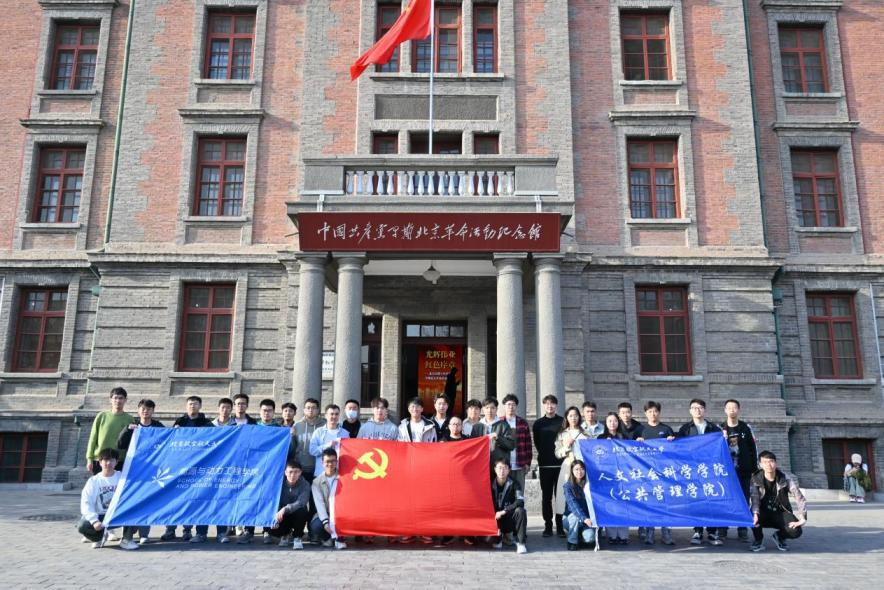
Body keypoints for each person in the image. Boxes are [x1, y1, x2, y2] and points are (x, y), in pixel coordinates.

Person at [115, 398, 164, 545]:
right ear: (138, 410)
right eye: (143, 408)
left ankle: (144, 534)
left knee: (147, 501)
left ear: (153, 411)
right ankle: (128, 533)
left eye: (149, 409)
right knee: (131, 500)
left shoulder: (158, 427)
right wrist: (127, 431)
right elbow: (120, 444)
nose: (145, 411)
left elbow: (168, 442)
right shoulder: (133, 427)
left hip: (152, 472)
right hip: (133, 471)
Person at [677, 398, 723, 546]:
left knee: (711, 499)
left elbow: (721, 447)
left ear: (705, 410)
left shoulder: (714, 429)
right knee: (695, 500)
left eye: (700, 408)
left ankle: (712, 531)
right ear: (690, 411)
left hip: (709, 470)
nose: (697, 410)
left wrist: (725, 439)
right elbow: (678, 447)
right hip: (692, 470)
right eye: (694, 408)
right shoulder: (685, 429)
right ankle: (697, 531)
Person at [78, 448, 138, 550]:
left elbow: (132, 496)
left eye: (112, 460)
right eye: (105, 460)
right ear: (100, 462)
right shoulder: (93, 481)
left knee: (133, 509)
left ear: (116, 462)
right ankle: (99, 537)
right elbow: (86, 503)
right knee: (82, 526)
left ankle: (127, 540)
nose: (108, 463)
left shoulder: (122, 478)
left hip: (118, 515)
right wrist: (94, 521)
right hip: (100, 516)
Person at [635, 400, 675, 545]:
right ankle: (649, 532)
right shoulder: (641, 430)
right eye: (650, 411)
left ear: (659, 412)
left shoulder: (666, 429)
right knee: (649, 502)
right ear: (645, 413)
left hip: (664, 473)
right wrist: (637, 442)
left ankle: (666, 532)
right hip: (646, 473)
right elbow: (632, 451)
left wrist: (672, 441)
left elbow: (674, 450)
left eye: (655, 411)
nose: (653, 414)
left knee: (665, 502)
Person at [750, 451, 807, 552]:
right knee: (751, 516)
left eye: (771, 461)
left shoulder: (784, 478)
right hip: (762, 512)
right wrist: (755, 513)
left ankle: (779, 536)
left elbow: (799, 497)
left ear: (776, 463)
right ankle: (758, 539)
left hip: (781, 512)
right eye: (765, 462)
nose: (769, 465)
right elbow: (755, 498)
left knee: (795, 531)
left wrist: (802, 517)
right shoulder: (755, 478)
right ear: (760, 465)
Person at [719, 399, 758, 541]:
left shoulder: (746, 428)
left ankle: (742, 528)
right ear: (725, 410)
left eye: (734, 407)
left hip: (744, 471)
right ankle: (722, 529)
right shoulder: (720, 429)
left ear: (739, 410)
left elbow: (753, 449)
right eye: (729, 407)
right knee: (725, 499)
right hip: (726, 472)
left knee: (743, 499)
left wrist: (754, 469)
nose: (732, 410)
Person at [554, 406, 591, 538]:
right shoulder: (562, 434)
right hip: (568, 468)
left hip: (583, 469)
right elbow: (557, 453)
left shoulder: (586, 433)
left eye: (575, 415)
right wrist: (566, 446)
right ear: (566, 418)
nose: (573, 418)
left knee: (585, 494)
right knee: (566, 495)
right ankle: (564, 525)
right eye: (570, 416)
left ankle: (587, 523)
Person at [533, 394, 564, 538]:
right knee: (546, 497)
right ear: (543, 405)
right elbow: (537, 443)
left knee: (560, 497)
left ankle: (560, 526)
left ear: (556, 405)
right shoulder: (538, 423)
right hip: (545, 465)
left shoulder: (562, 422)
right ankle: (548, 526)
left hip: (560, 465)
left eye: (552, 404)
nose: (550, 406)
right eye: (547, 404)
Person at [597, 412, 629, 544]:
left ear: (618, 422)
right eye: (609, 421)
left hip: (623, 475)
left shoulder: (624, 437)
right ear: (606, 423)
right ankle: (611, 535)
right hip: (608, 476)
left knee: (622, 505)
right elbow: (597, 456)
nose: (612, 423)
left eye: (615, 421)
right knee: (610, 504)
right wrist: (606, 445)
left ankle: (623, 536)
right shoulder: (601, 438)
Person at [85, 387, 132, 475]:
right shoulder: (101, 416)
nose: (118, 401)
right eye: (115, 398)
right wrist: (89, 459)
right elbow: (93, 438)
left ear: (125, 400)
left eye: (121, 398)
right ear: (110, 399)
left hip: (120, 461)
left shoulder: (129, 419)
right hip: (100, 460)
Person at [309, 448, 346, 550]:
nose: (330, 464)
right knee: (315, 526)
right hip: (326, 512)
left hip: (340, 513)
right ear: (322, 463)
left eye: (333, 461)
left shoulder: (344, 477)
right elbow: (319, 504)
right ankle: (328, 538)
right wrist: (325, 522)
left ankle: (339, 537)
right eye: (327, 461)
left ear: (336, 462)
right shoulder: (316, 482)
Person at [269, 461, 312, 550]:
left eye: (296, 472)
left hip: (296, 513)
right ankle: (285, 535)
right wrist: (277, 514)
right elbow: (273, 500)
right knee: (270, 527)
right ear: (285, 472)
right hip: (283, 515)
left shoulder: (305, 484)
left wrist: (285, 509)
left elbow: (301, 502)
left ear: (300, 472)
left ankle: (297, 537)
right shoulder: (279, 484)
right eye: (290, 472)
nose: (293, 475)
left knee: (302, 511)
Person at [490, 458, 528, 554]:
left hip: (508, 516)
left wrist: (504, 511)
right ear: (495, 469)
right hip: (494, 519)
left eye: (505, 468)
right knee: (491, 542)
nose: (502, 471)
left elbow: (520, 501)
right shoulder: (489, 483)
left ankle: (521, 544)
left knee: (521, 511)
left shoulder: (515, 483)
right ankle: (501, 537)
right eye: (499, 468)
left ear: (509, 470)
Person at [473, 397, 515, 471]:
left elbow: (511, 445)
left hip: (500, 467)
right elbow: (473, 447)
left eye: (492, 408)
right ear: (483, 409)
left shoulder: (504, 425)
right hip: (481, 465)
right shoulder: (477, 426)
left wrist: (498, 438)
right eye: (487, 408)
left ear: (496, 409)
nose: (489, 410)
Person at [309, 404, 350, 478]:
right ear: (326, 415)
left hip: (339, 474)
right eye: (331, 414)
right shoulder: (318, 432)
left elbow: (349, 452)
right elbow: (312, 451)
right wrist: (327, 445)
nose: (334, 416)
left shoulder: (345, 433)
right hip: (321, 473)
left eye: (336, 414)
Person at [563, 459, 596, 551]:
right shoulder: (568, 486)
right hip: (571, 518)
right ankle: (572, 541)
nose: (579, 472)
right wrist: (584, 518)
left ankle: (580, 536)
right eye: (576, 469)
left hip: (587, 520)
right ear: (572, 471)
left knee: (590, 538)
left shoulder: (589, 485)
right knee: (575, 516)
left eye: (582, 469)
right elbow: (573, 504)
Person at [501, 394, 532, 490]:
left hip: (520, 463)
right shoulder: (499, 422)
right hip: (504, 464)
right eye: (508, 404)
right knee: (505, 491)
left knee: (519, 491)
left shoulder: (522, 422)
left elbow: (528, 444)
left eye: (513, 405)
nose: (511, 407)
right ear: (504, 406)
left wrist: (528, 463)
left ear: (516, 406)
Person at [294, 397, 325, 483]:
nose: (310, 410)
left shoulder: (324, 425)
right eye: (308, 408)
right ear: (304, 410)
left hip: (319, 467)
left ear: (318, 410)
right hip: (301, 467)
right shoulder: (297, 425)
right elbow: (294, 445)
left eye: (313, 408)